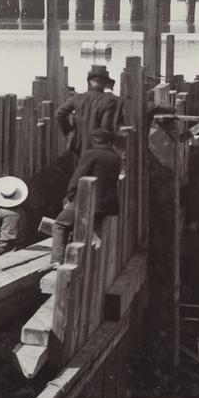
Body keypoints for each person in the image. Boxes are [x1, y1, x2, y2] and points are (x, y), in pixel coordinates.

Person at [51, 129, 122, 266]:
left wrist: (70, 197)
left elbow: (78, 176)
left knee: (60, 225)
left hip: (89, 200)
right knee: (95, 231)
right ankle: (96, 263)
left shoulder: (91, 154)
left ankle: (56, 261)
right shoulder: (115, 157)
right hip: (109, 203)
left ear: (93, 141)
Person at [54, 64, 121, 159]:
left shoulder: (78, 98)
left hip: (79, 146)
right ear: (105, 83)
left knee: (80, 171)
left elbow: (59, 114)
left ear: (89, 82)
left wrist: (69, 132)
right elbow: (106, 128)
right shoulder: (109, 101)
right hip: (98, 149)